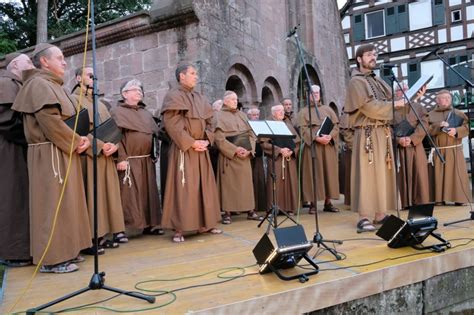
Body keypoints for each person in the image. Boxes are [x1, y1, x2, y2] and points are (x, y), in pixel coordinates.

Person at [12, 43, 92, 273]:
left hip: (63, 150)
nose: (64, 61)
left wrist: (82, 139)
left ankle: (67, 250)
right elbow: (50, 122)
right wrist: (77, 142)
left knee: (69, 204)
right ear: (44, 62)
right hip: (49, 155)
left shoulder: (53, 85)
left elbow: (67, 120)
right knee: (52, 205)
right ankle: (52, 259)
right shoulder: (38, 84)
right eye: (59, 57)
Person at [344, 43, 406, 233]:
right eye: (369, 54)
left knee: (382, 173)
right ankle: (364, 216)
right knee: (368, 174)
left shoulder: (377, 80)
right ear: (359, 59)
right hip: (368, 134)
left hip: (384, 132)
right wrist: (395, 105)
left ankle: (380, 214)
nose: (373, 57)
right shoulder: (356, 81)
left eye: (375, 54)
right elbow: (368, 106)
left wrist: (410, 97)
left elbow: (390, 100)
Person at [161, 63, 222, 242]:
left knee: (205, 187)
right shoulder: (173, 96)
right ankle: (179, 228)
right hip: (184, 149)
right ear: (182, 76)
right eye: (193, 73)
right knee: (183, 188)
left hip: (201, 149)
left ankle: (206, 223)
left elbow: (211, 122)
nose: (196, 77)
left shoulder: (200, 97)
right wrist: (191, 142)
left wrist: (206, 140)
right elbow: (172, 124)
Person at [70, 67, 125, 250]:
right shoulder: (73, 100)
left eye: (95, 75)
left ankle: (102, 235)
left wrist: (114, 145)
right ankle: (90, 238)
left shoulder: (100, 104)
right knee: (91, 196)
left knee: (105, 197)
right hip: (89, 157)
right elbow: (78, 131)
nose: (94, 78)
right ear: (78, 78)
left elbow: (111, 128)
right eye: (89, 75)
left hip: (106, 157)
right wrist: (101, 146)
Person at [111, 79, 162, 239]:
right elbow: (115, 136)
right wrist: (121, 158)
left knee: (149, 193)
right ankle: (122, 228)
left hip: (146, 160)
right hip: (129, 160)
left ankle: (150, 224)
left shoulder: (145, 113)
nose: (139, 92)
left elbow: (153, 135)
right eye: (134, 89)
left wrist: (154, 153)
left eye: (140, 89)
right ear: (124, 94)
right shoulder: (117, 112)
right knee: (128, 195)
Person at [0, 53, 34, 267]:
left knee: (22, 197)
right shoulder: (5, 83)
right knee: (14, 198)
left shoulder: (17, 84)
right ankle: (13, 252)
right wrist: (33, 136)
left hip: (18, 148)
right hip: (10, 150)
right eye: (28, 62)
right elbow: (6, 121)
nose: (32, 65)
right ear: (14, 65)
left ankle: (23, 249)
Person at [215, 91, 258, 224]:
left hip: (245, 154)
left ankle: (250, 210)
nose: (235, 101)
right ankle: (227, 212)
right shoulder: (218, 116)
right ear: (225, 101)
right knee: (229, 185)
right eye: (233, 99)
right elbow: (218, 138)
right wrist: (234, 150)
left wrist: (249, 150)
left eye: (236, 99)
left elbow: (252, 134)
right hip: (230, 156)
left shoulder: (242, 115)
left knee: (246, 185)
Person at [296, 85, 340, 214]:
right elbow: (302, 129)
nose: (315, 95)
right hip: (313, 148)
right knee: (313, 174)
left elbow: (336, 126)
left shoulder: (328, 110)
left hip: (327, 146)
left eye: (317, 92)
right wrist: (315, 138)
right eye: (312, 93)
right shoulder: (303, 112)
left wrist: (330, 136)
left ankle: (328, 202)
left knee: (328, 174)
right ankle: (313, 203)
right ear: (308, 95)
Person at [428, 90, 471, 206]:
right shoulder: (430, 114)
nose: (446, 100)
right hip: (439, 150)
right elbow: (426, 130)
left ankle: (460, 199)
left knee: (457, 175)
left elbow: (467, 127)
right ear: (437, 100)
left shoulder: (458, 113)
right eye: (443, 98)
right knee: (439, 174)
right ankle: (439, 199)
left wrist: (456, 131)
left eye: (448, 98)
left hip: (454, 149)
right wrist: (438, 125)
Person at [393, 84, 430, 209]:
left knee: (419, 173)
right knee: (400, 175)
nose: (403, 92)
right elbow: (386, 128)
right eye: (400, 90)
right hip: (398, 149)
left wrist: (412, 138)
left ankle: (419, 202)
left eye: (405, 90)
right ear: (395, 93)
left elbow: (424, 124)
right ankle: (402, 202)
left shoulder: (418, 107)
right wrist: (398, 140)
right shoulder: (390, 109)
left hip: (415, 146)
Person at [262, 104, 300, 215]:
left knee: (290, 182)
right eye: (279, 111)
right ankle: (274, 208)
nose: (282, 112)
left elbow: (297, 142)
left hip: (289, 159)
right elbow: (263, 143)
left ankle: (289, 208)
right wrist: (279, 150)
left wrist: (292, 151)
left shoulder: (288, 125)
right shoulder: (268, 125)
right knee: (276, 183)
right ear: (273, 113)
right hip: (276, 159)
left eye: (282, 110)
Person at [247, 107, 267, 213]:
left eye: (257, 115)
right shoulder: (245, 125)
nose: (256, 117)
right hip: (249, 157)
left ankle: (260, 205)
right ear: (249, 116)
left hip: (259, 156)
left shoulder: (261, 125)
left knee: (259, 180)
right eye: (253, 115)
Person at [338, 109, 353, 207]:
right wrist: (353, 145)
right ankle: (351, 200)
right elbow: (344, 132)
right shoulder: (346, 115)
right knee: (351, 175)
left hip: (364, 147)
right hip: (352, 149)